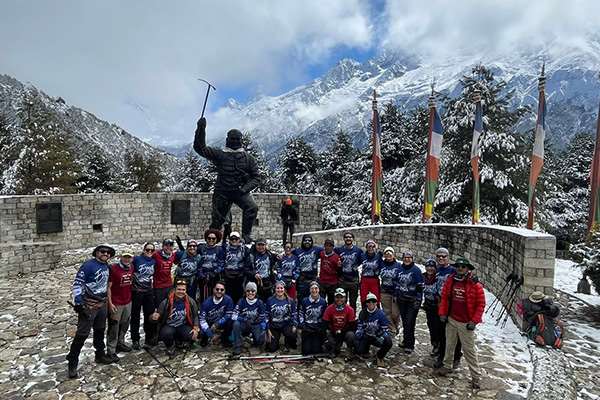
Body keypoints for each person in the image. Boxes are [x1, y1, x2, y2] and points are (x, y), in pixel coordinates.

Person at [193, 116, 260, 244]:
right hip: (222, 192)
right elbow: (200, 148)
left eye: (237, 139)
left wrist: (244, 189)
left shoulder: (248, 158)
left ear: (241, 141)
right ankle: (212, 241)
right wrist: (200, 129)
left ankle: (246, 236)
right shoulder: (220, 155)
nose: (234, 141)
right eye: (232, 139)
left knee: (252, 208)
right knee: (217, 221)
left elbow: (256, 178)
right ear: (227, 140)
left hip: (240, 192)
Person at [435, 257, 485, 390]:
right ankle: (447, 366)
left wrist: (474, 321)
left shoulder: (475, 284)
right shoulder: (450, 281)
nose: (460, 269)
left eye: (463, 267)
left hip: (466, 322)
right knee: (449, 345)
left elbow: (481, 304)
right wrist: (443, 313)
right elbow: (444, 297)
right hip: (452, 319)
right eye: (458, 266)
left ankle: (476, 376)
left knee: (469, 350)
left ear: (468, 269)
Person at [66, 244, 114, 379]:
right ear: (96, 253)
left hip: (102, 303)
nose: (106, 254)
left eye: (108, 252)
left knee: (100, 330)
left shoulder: (106, 267)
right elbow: (78, 283)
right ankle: (73, 360)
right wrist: (79, 303)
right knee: (82, 333)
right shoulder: (88, 266)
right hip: (89, 305)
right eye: (102, 251)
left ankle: (100, 354)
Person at [151, 279, 200, 356]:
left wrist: (196, 327)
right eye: (179, 289)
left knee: (192, 335)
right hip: (169, 325)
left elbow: (195, 315)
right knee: (166, 333)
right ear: (174, 289)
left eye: (183, 290)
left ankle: (180, 341)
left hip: (183, 325)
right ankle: (170, 345)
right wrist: (153, 317)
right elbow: (156, 317)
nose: (181, 292)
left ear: (186, 290)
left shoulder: (190, 301)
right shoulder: (166, 302)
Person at [433, 247, 461, 369]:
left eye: (443, 256)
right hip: (439, 303)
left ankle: (456, 356)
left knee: (455, 332)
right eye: (439, 256)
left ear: (448, 257)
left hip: (453, 304)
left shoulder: (453, 270)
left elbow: (465, 276)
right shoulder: (436, 270)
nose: (441, 258)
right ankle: (442, 355)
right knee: (441, 332)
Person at [106, 249, 134, 363]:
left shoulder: (131, 267)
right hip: (116, 302)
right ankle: (111, 349)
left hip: (127, 300)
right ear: (120, 257)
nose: (127, 259)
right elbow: (108, 287)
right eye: (125, 257)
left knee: (125, 323)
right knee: (114, 326)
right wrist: (110, 303)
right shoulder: (114, 269)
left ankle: (120, 342)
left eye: (129, 257)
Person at [148, 239, 177, 347]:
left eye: (171, 245)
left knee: (169, 309)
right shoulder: (156, 255)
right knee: (159, 310)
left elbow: (181, 258)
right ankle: (156, 334)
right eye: (166, 245)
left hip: (169, 286)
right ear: (163, 246)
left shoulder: (172, 256)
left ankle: (168, 332)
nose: (168, 247)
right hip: (158, 287)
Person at [395, 250, 424, 354]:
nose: (407, 259)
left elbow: (420, 287)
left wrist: (418, 299)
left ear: (412, 259)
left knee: (410, 322)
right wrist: (396, 294)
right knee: (405, 321)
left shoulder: (416, 270)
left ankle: (410, 344)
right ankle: (405, 340)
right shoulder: (399, 268)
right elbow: (396, 283)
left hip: (412, 300)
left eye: (409, 257)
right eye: (405, 257)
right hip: (402, 299)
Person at [355, 292, 392, 368]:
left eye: (373, 301)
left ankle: (379, 356)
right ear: (366, 303)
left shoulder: (381, 314)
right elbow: (359, 326)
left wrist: (382, 335)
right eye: (369, 301)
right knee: (358, 350)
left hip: (376, 337)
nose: (371, 303)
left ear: (376, 303)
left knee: (388, 341)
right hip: (366, 336)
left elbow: (385, 329)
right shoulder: (362, 313)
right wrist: (359, 334)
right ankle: (365, 350)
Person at [130, 242, 156, 350]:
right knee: (135, 316)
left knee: (148, 315)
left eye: (151, 250)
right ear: (143, 250)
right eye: (147, 250)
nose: (149, 252)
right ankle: (135, 339)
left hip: (148, 292)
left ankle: (148, 338)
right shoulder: (137, 259)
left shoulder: (153, 261)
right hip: (137, 292)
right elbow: (128, 268)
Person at [231, 282, 268, 356]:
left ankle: (255, 341)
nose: (250, 293)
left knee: (260, 340)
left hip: (256, 324)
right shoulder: (241, 301)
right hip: (245, 324)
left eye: (253, 291)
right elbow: (233, 316)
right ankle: (238, 347)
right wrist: (243, 319)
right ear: (245, 292)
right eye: (248, 291)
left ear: (256, 292)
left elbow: (264, 317)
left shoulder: (260, 302)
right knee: (236, 324)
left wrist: (263, 326)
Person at [199, 281, 235, 347]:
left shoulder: (228, 300)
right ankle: (205, 338)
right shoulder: (206, 303)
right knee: (201, 330)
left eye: (222, 290)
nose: (219, 291)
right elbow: (202, 320)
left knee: (231, 321)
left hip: (221, 321)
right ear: (213, 289)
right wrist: (210, 334)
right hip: (209, 322)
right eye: (217, 289)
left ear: (225, 291)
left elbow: (229, 314)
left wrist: (217, 323)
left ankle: (225, 339)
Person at [323, 288, 356, 358]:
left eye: (341, 297)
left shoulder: (350, 309)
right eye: (337, 297)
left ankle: (350, 349)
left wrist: (342, 331)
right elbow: (325, 323)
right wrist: (333, 330)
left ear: (345, 298)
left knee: (351, 335)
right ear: (334, 298)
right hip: (333, 331)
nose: (339, 300)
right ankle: (333, 349)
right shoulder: (329, 308)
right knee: (327, 334)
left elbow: (352, 325)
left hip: (344, 332)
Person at [266, 281, 298, 352]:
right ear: (275, 289)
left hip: (286, 325)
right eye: (278, 288)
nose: (279, 290)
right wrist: (268, 330)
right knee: (271, 348)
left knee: (292, 339)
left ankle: (288, 342)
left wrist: (294, 325)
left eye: (281, 288)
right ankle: (276, 342)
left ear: (284, 289)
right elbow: (266, 315)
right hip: (274, 326)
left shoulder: (290, 300)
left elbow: (294, 314)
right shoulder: (270, 300)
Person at [335, 232, 363, 310]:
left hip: (354, 280)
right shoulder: (338, 250)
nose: (348, 238)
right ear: (344, 239)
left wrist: (356, 265)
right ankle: (343, 319)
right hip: (342, 279)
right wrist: (338, 265)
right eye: (346, 237)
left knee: (353, 302)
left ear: (353, 239)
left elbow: (362, 260)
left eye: (350, 237)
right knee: (342, 300)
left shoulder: (358, 250)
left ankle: (352, 319)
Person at [298, 281, 328, 355]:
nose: (314, 290)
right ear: (309, 290)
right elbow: (301, 314)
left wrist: (321, 326)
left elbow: (324, 316)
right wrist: (302, 325)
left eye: (316, 288)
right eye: (312, 288)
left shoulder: (323, 301)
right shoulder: (305, 301)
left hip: (317, 328)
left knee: (316, 350)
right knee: (306, 351)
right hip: (307, 328)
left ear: (319, 289)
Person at [222, 231, 251, 304]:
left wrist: (243, 272)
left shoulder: (244, 249)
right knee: (228, 294)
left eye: (236, 239)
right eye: (232, 239)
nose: (234, 241)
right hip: (228, 275)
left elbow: (247, 262)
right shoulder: (225, 249)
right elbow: (221, 260)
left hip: (240, 275)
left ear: (239, 239)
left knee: (239, 294)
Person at [198, 229, 225, 305]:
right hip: (203, 276)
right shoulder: (201, 248)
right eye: (209, 238)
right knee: (203, 295)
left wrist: (215, 272)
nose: (211, 240)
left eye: (213, 239)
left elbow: (222, 263)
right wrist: (201, 274)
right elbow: (198, 261)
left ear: (216, 239)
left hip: (214, 276)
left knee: (215, 294)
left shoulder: (219, 249)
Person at [293, 235, 324, 301]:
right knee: (301, 300)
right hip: (302, 280)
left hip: (313, 279)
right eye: (305, 240)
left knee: (313, 299)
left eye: (309, 241)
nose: (307, 242)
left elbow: (329, 250)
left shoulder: (317, 249)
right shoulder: (297, 251)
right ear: (302, 241)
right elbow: (288, 254)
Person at [422, 258, 442, 357]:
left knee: (438, 327)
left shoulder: (438, 278)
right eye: (428, 266)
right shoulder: (423, 277)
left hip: (437, 305)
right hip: (428, 305)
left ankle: (440, 346)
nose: (429, 268)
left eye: (432, 267)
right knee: (431, 326)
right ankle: (435, 345)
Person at [379, 247, 400, 334]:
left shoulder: (398, 265)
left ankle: (396, 324)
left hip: (395, 292)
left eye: (390, 253)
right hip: (384, 291)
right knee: (386, 312)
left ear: (393, 255)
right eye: (386, 253)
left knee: (395, 312)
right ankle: (392, 328)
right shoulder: (381, 264)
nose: (388, 254)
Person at [319, 239, 342, 305]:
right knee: (321, 301)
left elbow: (339, 271)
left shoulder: (336, 257)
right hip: (322, 282)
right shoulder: (322, 254)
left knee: (331, 302)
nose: (328, 247)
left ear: (333, 247)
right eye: (326, 245)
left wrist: (339, 266)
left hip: (332, 283)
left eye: (330, 246)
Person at [359, 240, 382, 306]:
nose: (371, 248)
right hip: (365, 279)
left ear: (375, 247)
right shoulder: (362, 256)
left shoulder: (378, 256)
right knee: (364, 298)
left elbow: (382, 266)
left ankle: (376, 313)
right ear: (366, 247)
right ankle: (365, 312)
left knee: (376, 298)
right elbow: (355, 263)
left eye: (373, 246)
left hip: (374, 280)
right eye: (369, 246)